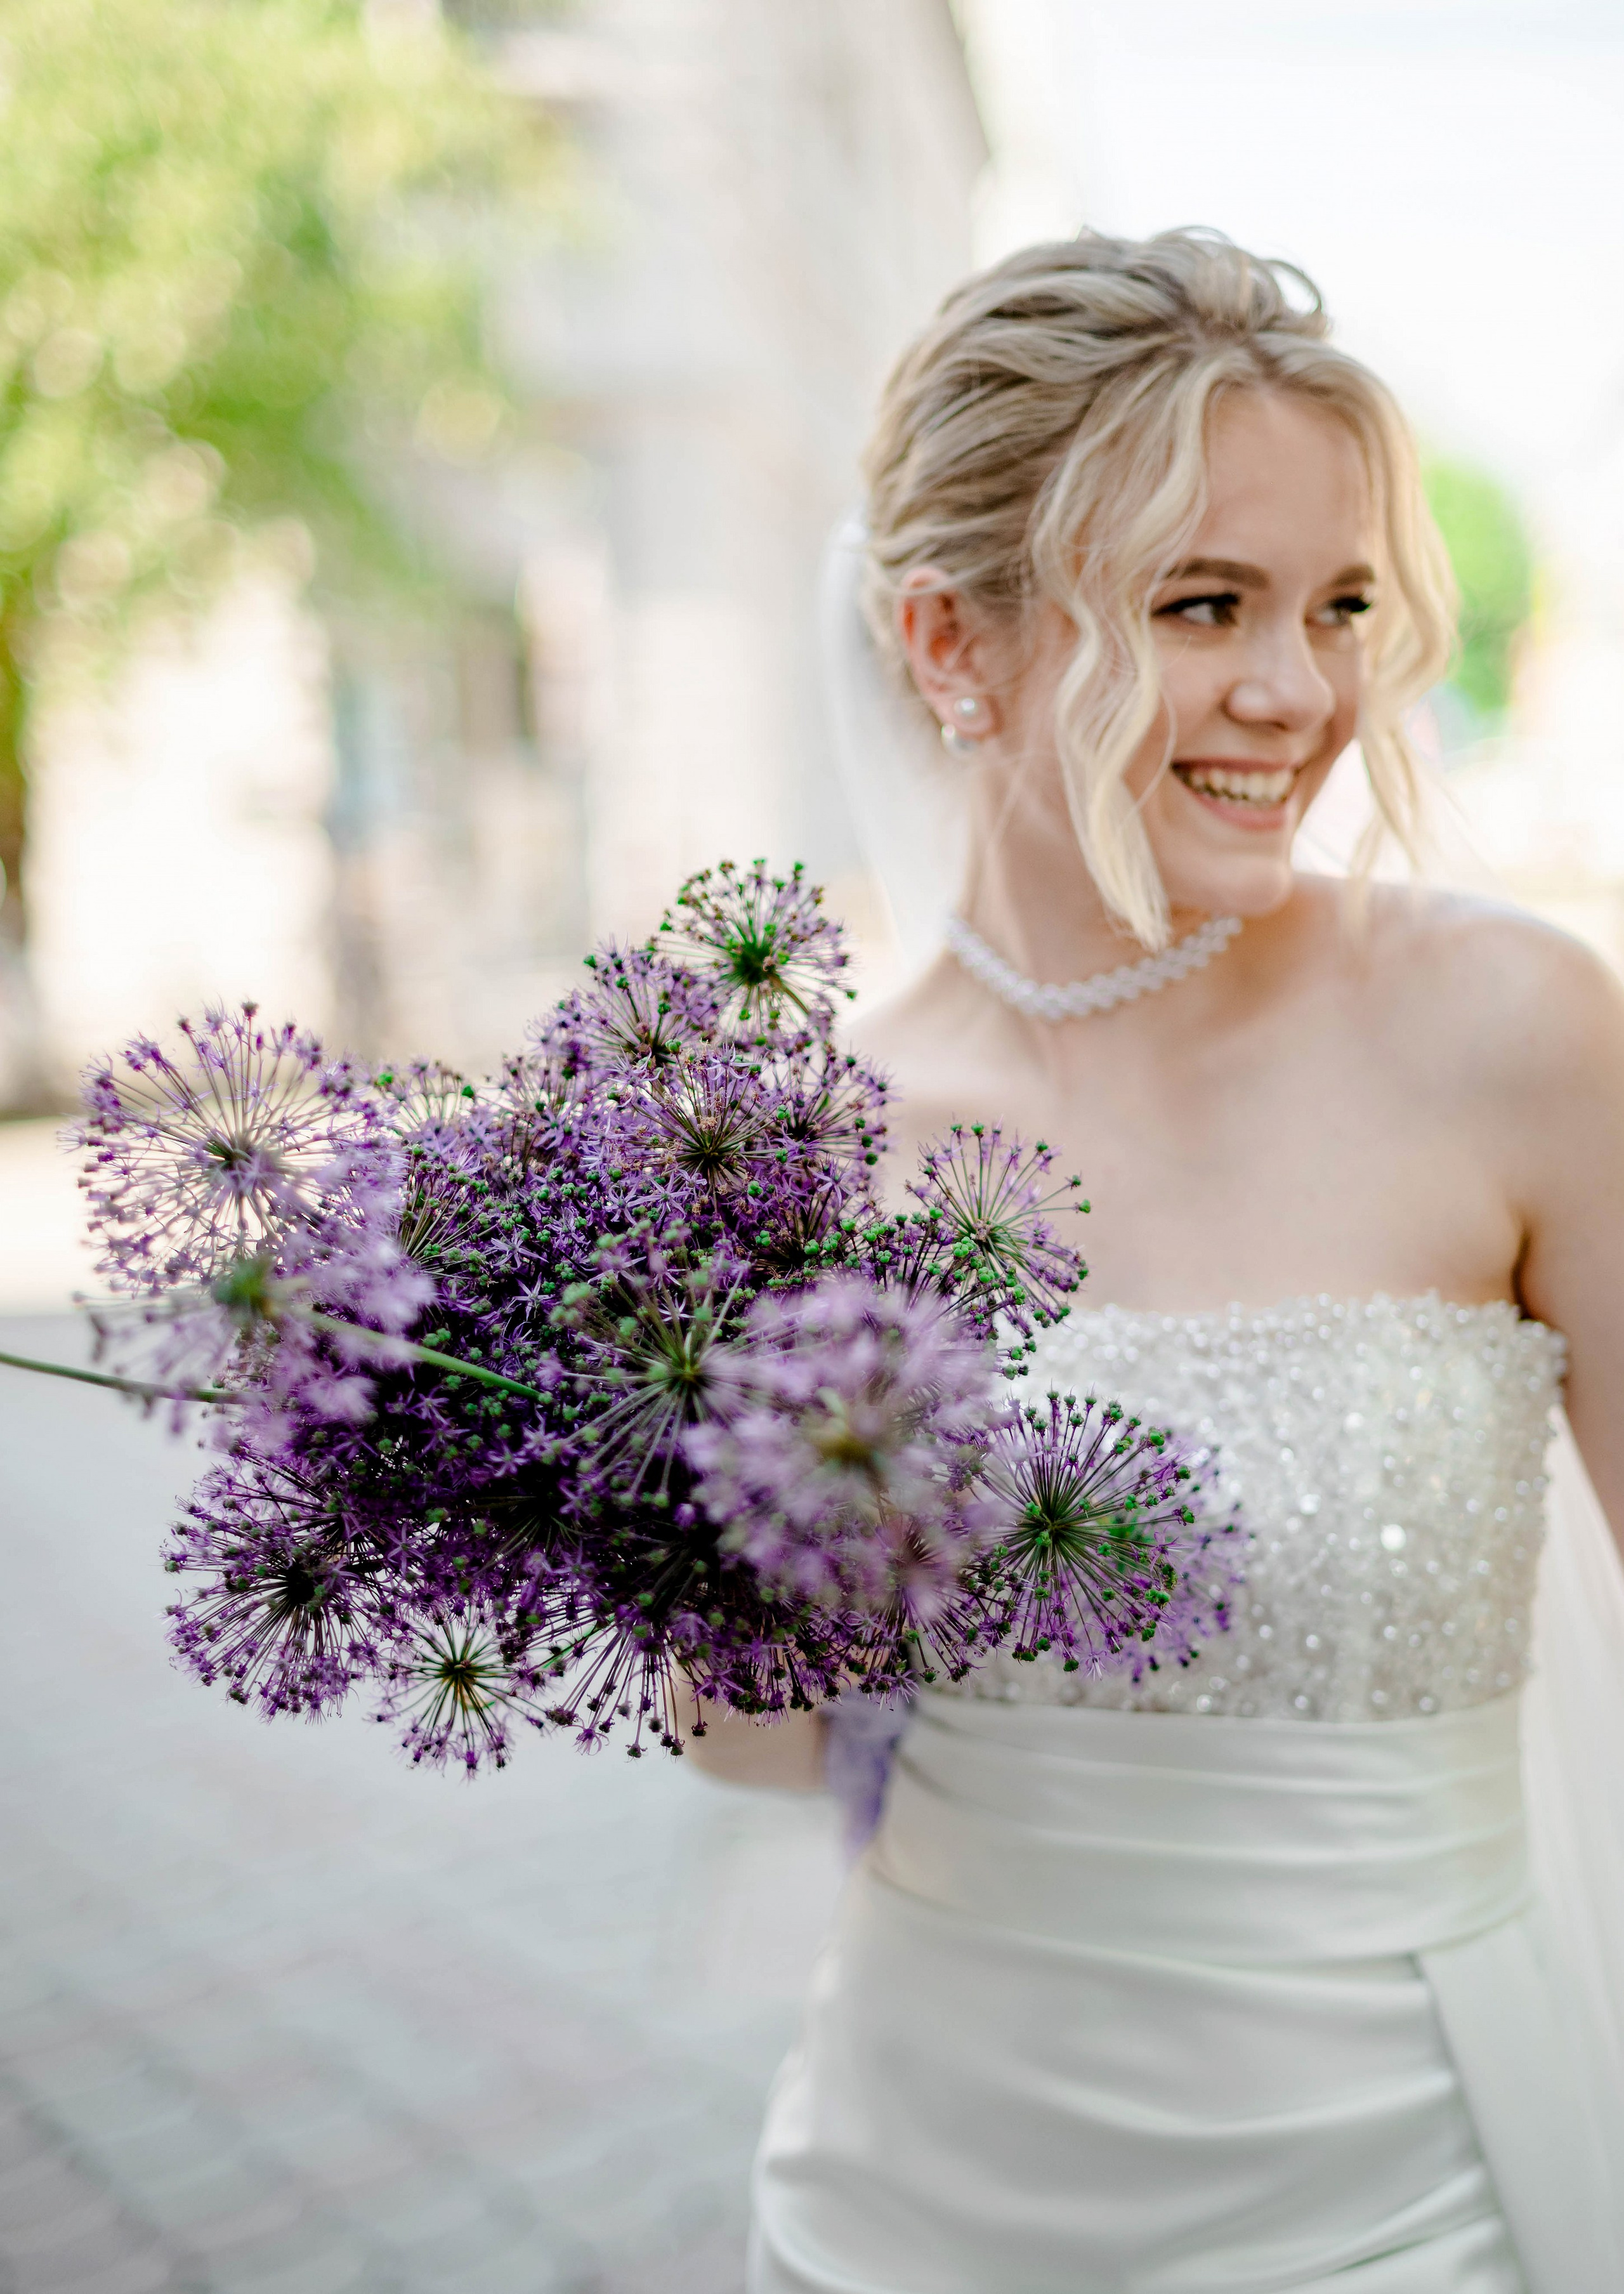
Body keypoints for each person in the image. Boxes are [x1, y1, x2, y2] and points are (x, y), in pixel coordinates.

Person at [690, 230, 1624, 2292]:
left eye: (1341, 603)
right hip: (920, 2188)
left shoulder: (1520, 1032)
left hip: (1427, 2194)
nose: (1300, 693)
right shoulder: (799, 1151)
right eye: (1207, 605)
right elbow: (761, 1742)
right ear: (955, 641)